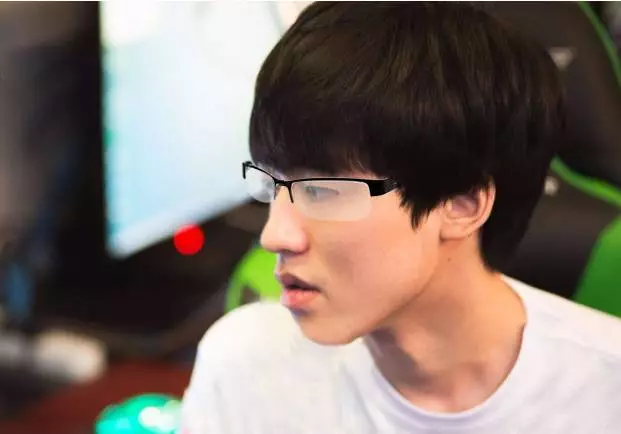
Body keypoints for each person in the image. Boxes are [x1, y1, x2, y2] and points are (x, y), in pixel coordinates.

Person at [180, 3, 621, 433]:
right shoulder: (246, 366)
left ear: (461, 205)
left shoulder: (605, 392)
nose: (275, 235)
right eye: (271, 184)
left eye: (321, 190)